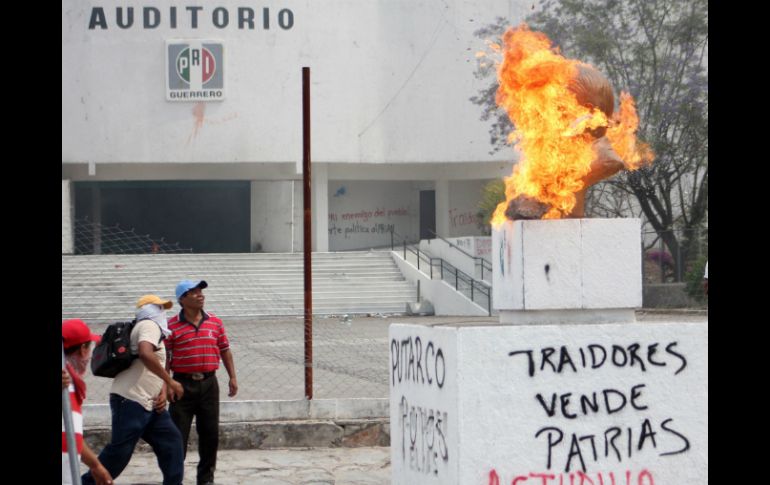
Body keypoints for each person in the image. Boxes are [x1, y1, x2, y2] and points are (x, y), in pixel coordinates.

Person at [81, 295, 185, 485]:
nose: (163, 313)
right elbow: (146, 354)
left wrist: (161, 391)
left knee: (172, 443)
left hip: (149, 403)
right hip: (131, 401)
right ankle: (85, 483)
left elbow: (152, 365)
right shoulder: (149, 325)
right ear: (148, 310)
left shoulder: (152, 330)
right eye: (159, 308)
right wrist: (171, 382)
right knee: (119, 453)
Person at [166, 280, 238, 485]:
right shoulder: (171, 326)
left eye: (201, 292)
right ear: (182, 299)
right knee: (177, 436)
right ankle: (174, 478)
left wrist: (232, 377)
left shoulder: (215, 322)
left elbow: (224, 349)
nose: (200, 295)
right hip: (181, 385)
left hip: (208, 384)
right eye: (194, 292)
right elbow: (166, 358)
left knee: (210, 434)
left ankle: (206, 479)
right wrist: (168, 384)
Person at [62, 319, 113, 485]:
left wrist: (95, 465)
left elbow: (71, 435)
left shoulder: (69, 385)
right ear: (83, 349)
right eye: (90, 346)